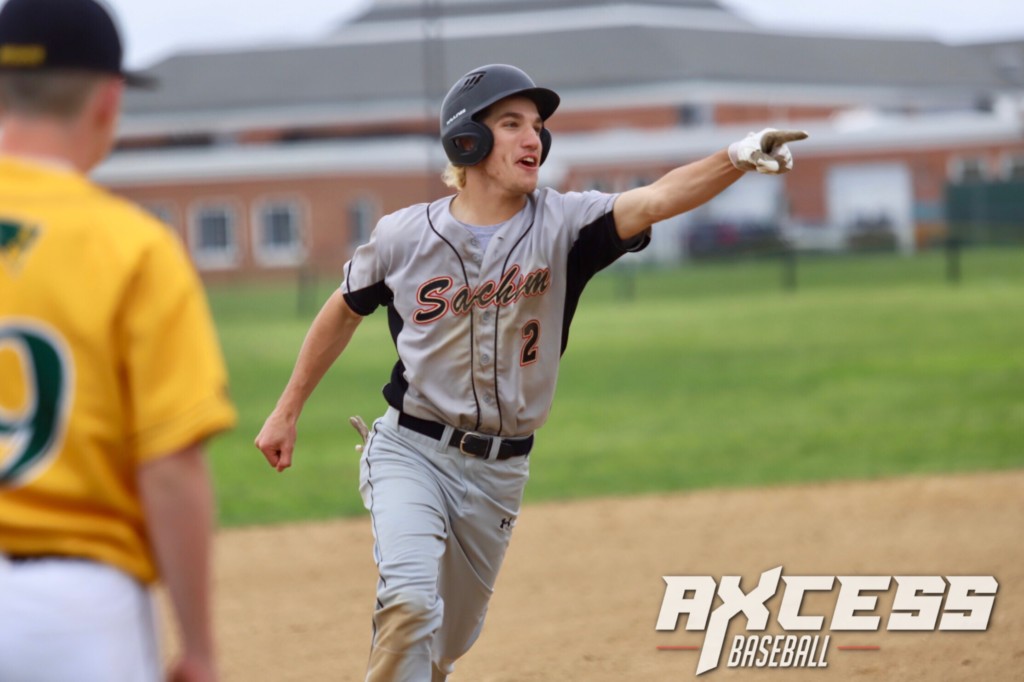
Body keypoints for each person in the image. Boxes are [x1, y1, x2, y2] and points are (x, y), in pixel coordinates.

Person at [255, 63, 805, 681]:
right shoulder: (403, 237)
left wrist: (735, 156)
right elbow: (343, 310)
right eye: (511, 123)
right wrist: (286, 410)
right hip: (412, 450)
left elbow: (656, 197)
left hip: (500, 472)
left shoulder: (567, 224)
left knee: (445, 647)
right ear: (468, 141)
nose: (532, 139)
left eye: (538, 126)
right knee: (410, 603)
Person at [0, 1, 236, 680]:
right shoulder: (133, 248)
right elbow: (170, 465)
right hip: (74, 610)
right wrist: (199, 646)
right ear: (108, 100)